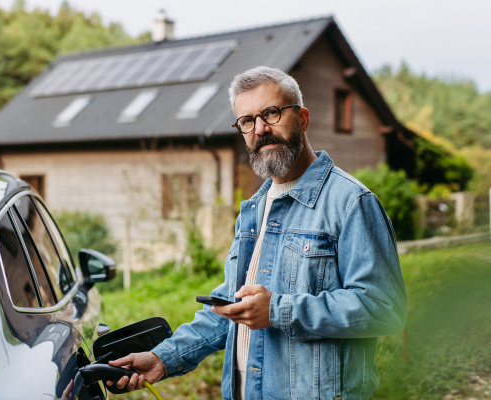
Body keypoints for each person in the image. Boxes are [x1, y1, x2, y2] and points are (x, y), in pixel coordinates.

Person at [107, 66, 408, 400]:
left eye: (272, 113)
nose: (260, 129)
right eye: (247, 121)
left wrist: (278, 310)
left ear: (303, 118)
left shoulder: (351, 202)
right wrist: (163, 358)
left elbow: (386, 309)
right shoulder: (254, 208)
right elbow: (231, 307)